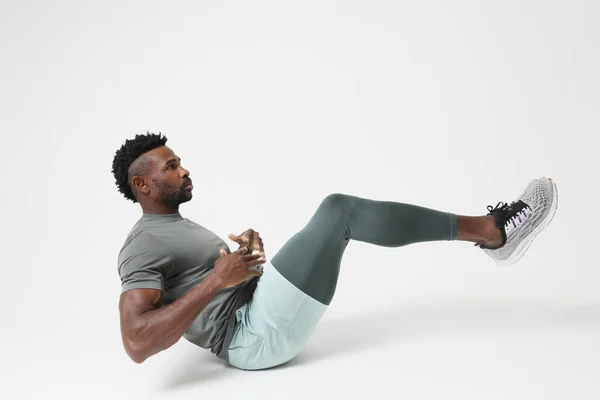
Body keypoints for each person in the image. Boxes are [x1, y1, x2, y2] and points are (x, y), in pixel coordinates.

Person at [111, 132, 558, 371]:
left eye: (179, 161)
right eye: (171, 167)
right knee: (338, 211)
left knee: (335, 212)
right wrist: (216, 279)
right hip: (251, 339)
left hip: (255, 312)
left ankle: (489, 233)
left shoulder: (173, 226)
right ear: (143, 185)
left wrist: (243, 264)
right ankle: (493, 232)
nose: (184, 169)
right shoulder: (141, 244)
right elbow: (136, 343)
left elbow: (211, 290)